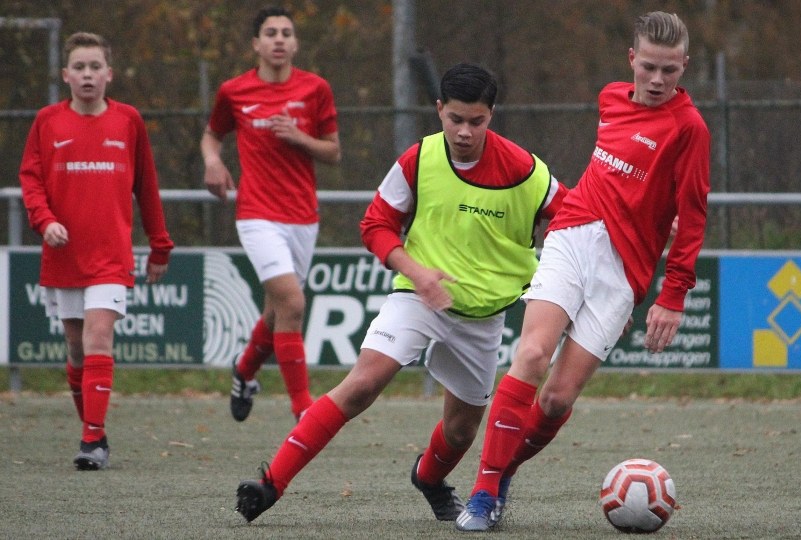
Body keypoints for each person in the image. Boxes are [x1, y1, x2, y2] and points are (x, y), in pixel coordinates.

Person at [232, 62, 569, 524]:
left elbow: (575, 221)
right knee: (363, 383)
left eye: (476, 121)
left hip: (484, 314)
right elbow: (375, 224)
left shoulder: (527, 171)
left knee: (461, 430)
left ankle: (428, 477)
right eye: (454, 119)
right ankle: (270, 483)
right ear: (438, 110)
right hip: (417, 294)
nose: (464, 131)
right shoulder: (418, 159)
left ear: (493, 114)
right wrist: (416, 270)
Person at [456, 11, 710, 531]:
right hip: (573, 235)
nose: (658, 81)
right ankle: (482, 495)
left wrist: (673, 293)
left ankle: (502, 474)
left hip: (625, 272)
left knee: (555, 399)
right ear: (632, 60)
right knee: (530, 353)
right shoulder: (610, 99)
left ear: (684, 66)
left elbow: (694, 213)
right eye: (650, 68)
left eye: (670, 70)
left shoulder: (690, 130)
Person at [18, 32, 174, 470]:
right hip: (65, 256)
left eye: (95, 67)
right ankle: (96, 430)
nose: (87, 75)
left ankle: (91, 442)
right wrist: (45, 221)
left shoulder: (128, 121)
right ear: (66, 75)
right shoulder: (47, 122)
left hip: (111, 255)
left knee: (98, 335)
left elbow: (147, 186)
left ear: (109, 73)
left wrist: (160, 245)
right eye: (79, 68)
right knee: (75, 348)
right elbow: (30, 179)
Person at [200, 7, 341, 423]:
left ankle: (244, 370)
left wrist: (300, 138)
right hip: (257, 213)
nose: (279, 39)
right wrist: (212, 160)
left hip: (302, 216)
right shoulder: (234, 90)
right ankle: (304, 410)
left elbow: (334, 152)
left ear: (295, 44)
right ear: (256, 44)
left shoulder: (315, 89)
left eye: (286, 33)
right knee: (293, 303)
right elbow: (212, 134)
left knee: (277, 309)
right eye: (270, 33)